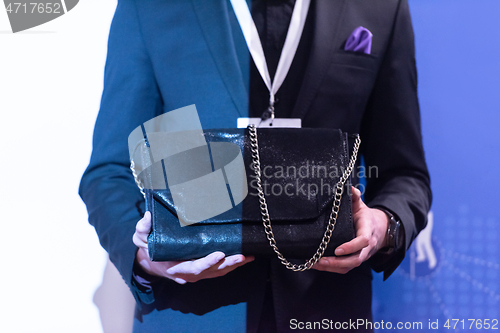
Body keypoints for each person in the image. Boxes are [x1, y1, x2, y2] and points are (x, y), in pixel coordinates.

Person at [79, 0, 432, 332]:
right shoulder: (150, 6)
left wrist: (383, 225)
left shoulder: (380, 6)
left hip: (328, 309)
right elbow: (110, 171)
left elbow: (405, 173)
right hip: (192, 315)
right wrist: (144, 255)